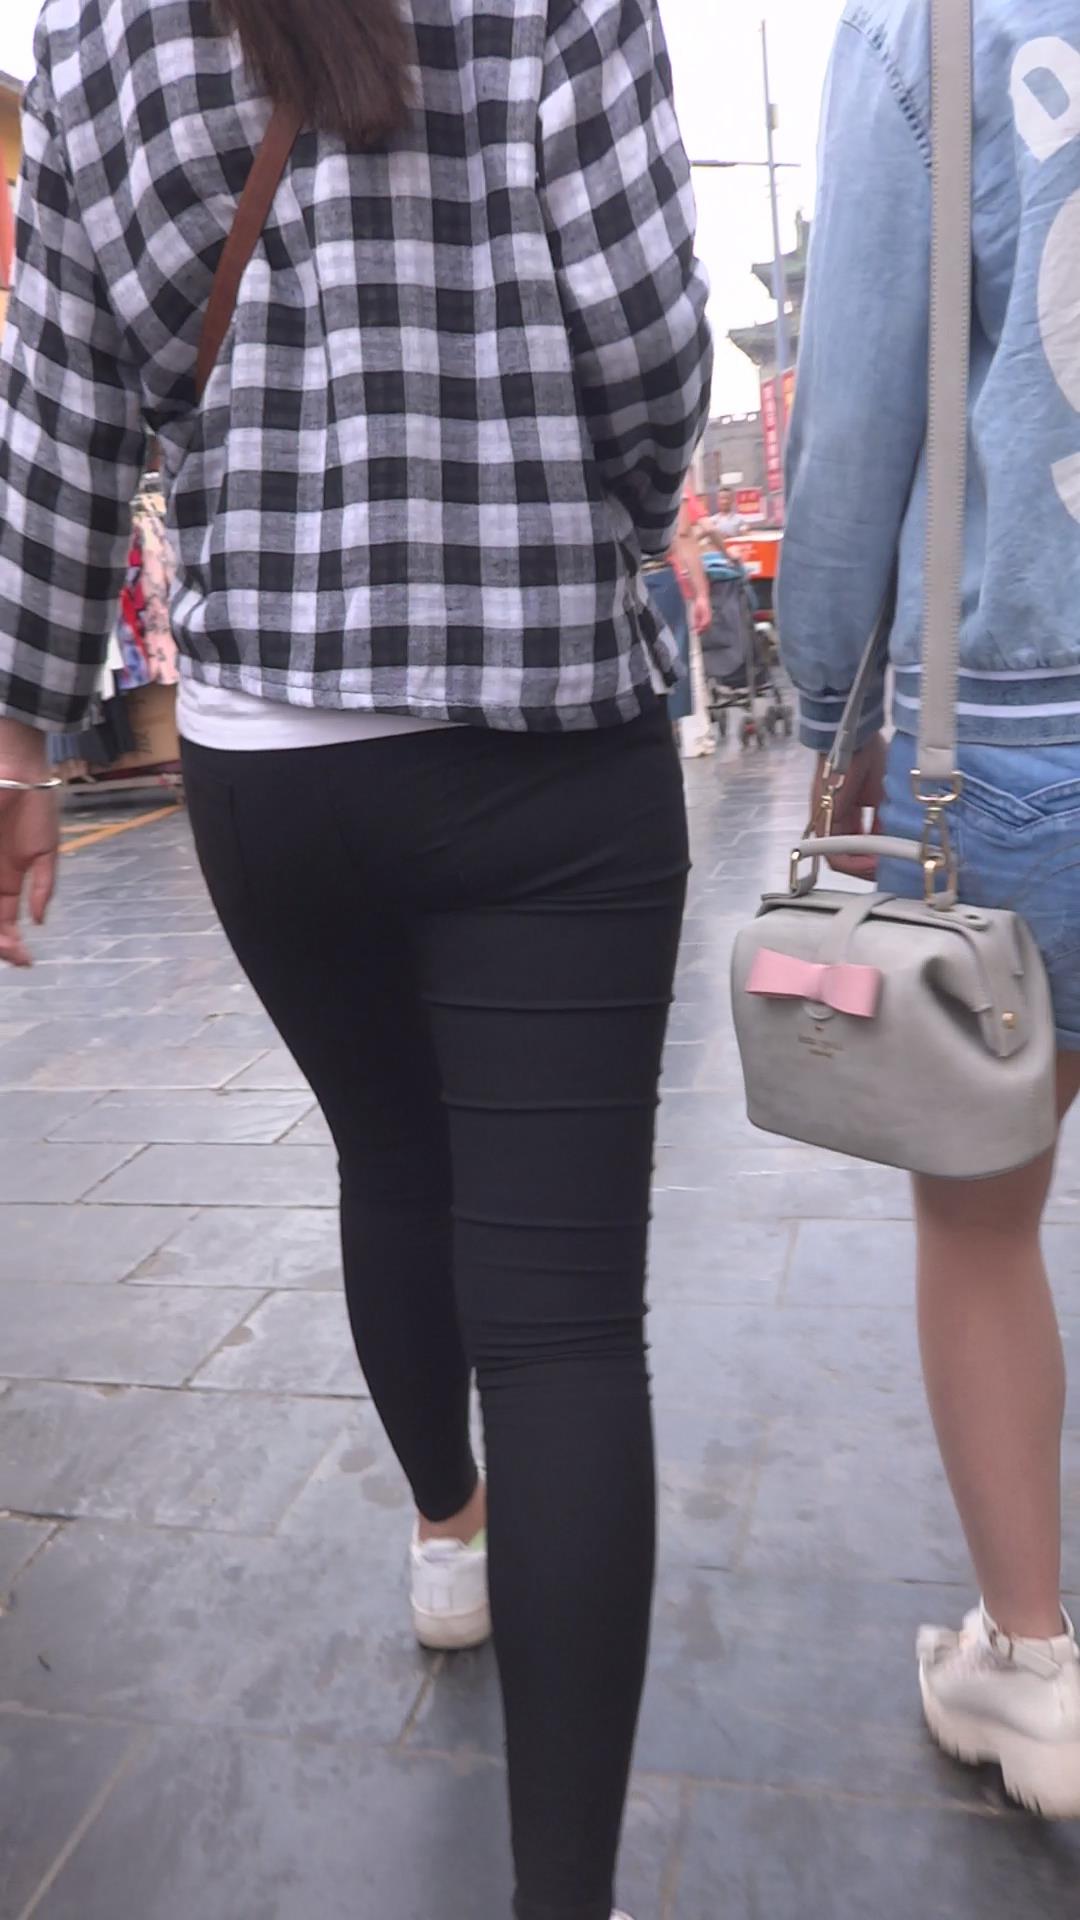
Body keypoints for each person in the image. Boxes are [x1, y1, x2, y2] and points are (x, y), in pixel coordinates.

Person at [0, 1, 712, 1914]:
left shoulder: (92, 32)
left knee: (391, 1160)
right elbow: (648, 331)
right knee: (567, 1325)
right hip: (540, 722)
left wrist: (19, 735)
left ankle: (447, 1533)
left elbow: (59, 398)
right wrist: (610, 511)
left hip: (270, 757)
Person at [780, 0, 1080, 1819]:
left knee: (983, 1219)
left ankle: (1030, 1670)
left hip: (1024, 723)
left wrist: (832, 713)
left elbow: (858, 414)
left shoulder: (929, 24)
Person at [643, 496, 713, 749]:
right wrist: (701, 594)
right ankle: (668, 744)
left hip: (613, 579)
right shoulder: (663, 476)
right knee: (667, 672)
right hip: (656, 576)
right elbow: (682, 533)